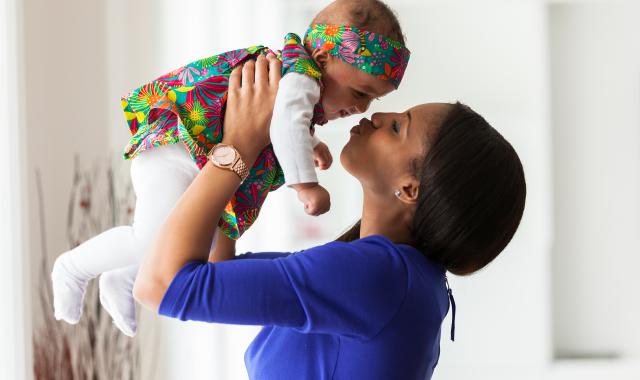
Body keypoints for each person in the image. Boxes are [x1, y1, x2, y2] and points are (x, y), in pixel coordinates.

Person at [133, 53, 527, 379]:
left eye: (396, 126)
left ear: (411, 189)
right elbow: (217, 271)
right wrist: (250, 150)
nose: (375, 115)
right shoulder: (394, 275)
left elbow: (160, 286)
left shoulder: (379, 276)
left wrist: (238, 147)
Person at [51, 0, 410, 337]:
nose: (362, 109)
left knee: (185, 241)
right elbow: (285, 126)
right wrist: (306, 186)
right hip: (176, 152)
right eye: (360, 92)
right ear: (322, 57)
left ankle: (124, 277)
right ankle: (73, 267)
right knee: (150, 238)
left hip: (195, 157)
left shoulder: (298, 83)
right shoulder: (300, 79)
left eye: (373, 99)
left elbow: (282, 123)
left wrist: (311, 144)